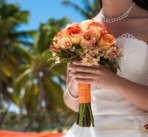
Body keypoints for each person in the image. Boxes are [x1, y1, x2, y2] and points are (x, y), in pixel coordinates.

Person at [63, 0, 148, 137]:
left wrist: (112, 81)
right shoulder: (78, 31)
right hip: (86, 131)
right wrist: (74, 87)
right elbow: (73, 104)